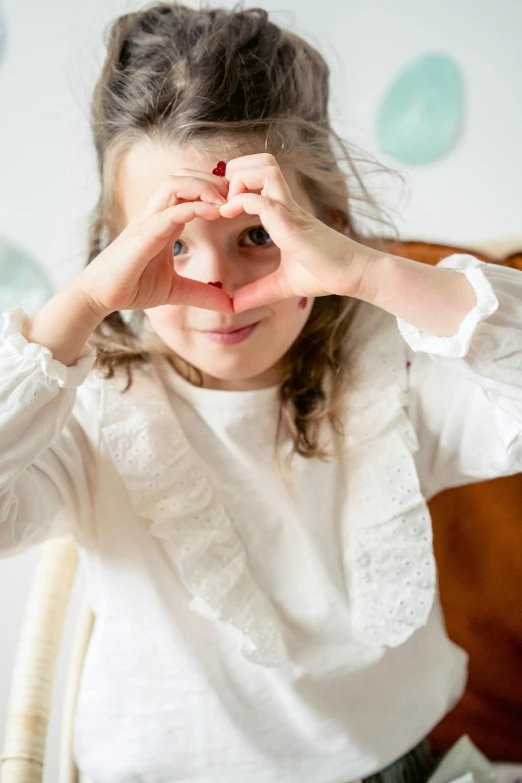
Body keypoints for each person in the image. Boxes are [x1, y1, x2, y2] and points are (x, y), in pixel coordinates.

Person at [1, 4, 521, 782]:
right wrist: (78, 308)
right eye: (171, 243)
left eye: (257, 236)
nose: (216, 283)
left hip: (396, 765)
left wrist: (370, 271)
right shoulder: (94, 409)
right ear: (114, 252)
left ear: (329, 224)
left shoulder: (386, 382)